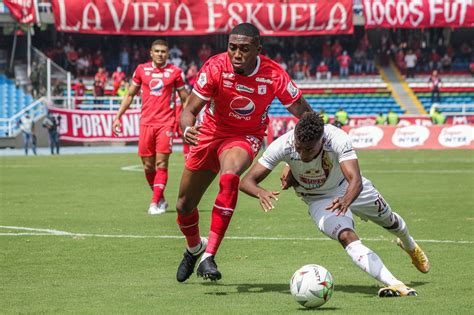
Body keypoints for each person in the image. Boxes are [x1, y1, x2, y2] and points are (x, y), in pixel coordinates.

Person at [175, 23, 312, 283]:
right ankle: (195, 248)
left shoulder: (273, 74)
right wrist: (186, 129)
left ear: (258, 50)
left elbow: (305, 116)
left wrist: (296, 159)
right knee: (184, 205)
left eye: (244, 49)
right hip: (209, 133)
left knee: (229, 176)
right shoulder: (215, 66)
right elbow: (189, 111)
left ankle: (209, 256)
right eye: (232, 47)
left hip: (244, 136)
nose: (236, 54)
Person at [239, 112, 430, 297]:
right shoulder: (283, 145)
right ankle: (395, 283)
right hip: (318, 199)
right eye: (299, 147)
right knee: (346, 236)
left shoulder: (337, 138)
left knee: (391, 222)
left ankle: (409, 245)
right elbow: (246, 181)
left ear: (321, 141)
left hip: (348, 187)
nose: (303, 154)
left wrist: (345, 200)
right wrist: (260, 192)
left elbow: (355, 180)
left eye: (309, 150)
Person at [113, 39, 189, 215]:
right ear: (151, 53)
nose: (160, 54)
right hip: (146, 123)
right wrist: (118, 117)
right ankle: (160, 198)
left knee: (161, 163)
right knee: (148, 166)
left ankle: (154, 203)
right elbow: (130, 95)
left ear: (168, 54)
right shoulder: (141, 70)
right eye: (157, 51)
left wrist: (183, 120)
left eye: (163, 51)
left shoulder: (175, 72)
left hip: (166, 124)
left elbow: (185, 98)